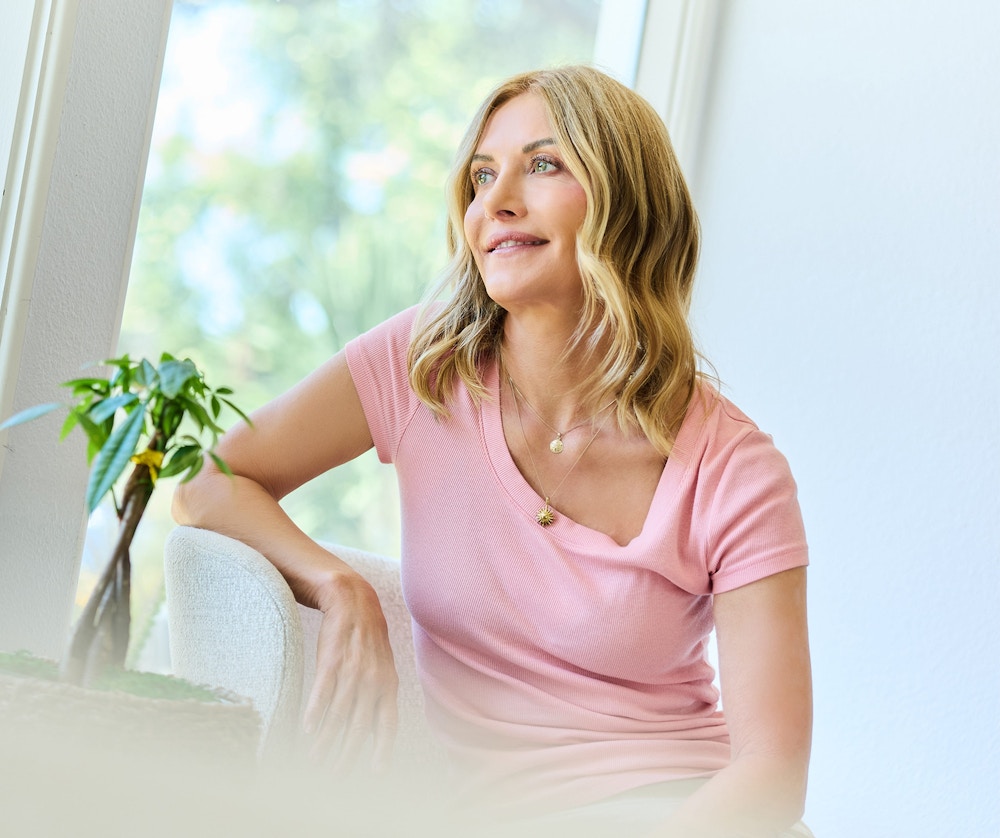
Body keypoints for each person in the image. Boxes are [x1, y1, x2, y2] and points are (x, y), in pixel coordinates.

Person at [173, 65, 813, 837]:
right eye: (482, 176)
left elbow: (771, 776)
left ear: (627, 202)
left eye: (544, 164)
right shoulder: (422, 370)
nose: (497, 201)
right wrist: (340, 587)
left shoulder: (734, 469)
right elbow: (208, 481)